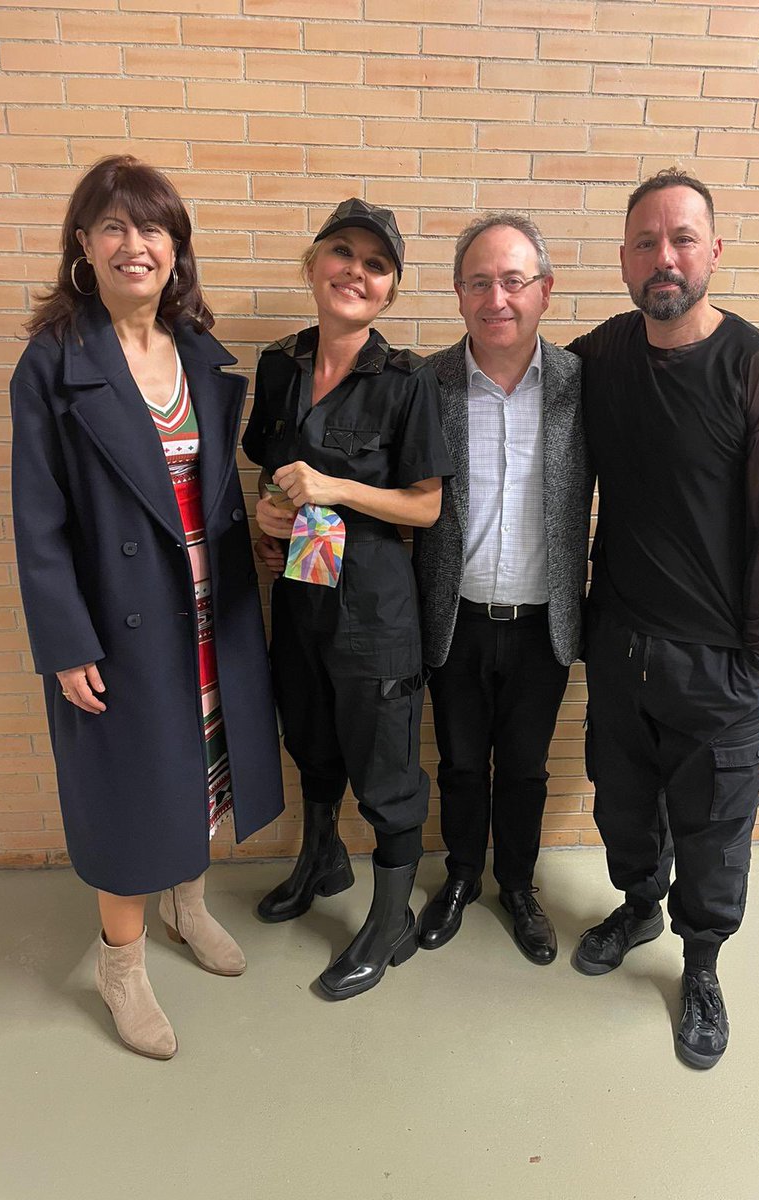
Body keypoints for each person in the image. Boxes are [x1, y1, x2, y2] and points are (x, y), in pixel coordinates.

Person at [9, 155, 284, 1060]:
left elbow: (210, 491)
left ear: (177, 249)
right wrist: (64, 641)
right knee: (131, 797)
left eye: (154, 228)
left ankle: (186, 909)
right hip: (119, 623)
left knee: (201, 775)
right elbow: (38, 520)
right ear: (83, 246)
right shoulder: (52, 364)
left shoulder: (200, 355)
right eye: (115, 226)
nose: (137, 245)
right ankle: (120, 967)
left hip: (210, 609)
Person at [566, 168, 759, 1068]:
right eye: (645, 241)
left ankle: (701, 963)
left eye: (681, 239)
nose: (662, 257)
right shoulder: (599, 359)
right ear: (625, 258)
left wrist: (753, 663)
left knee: (713, 831)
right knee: (624, 806)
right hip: (619, 645)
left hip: (716, 666)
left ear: (714, 250)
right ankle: (637, 905)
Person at [243, 198, 452, 1000]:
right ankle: (320, 859)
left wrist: (335, 486)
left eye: (375, 264)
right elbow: (272, 468)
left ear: (390, 291)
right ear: (313, 264)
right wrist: (270, 512)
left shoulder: (407, 383)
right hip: (301, 587)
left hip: (373, 608)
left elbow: (426, 506)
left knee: (387, 770)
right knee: (309, 731)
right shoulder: (279, 367)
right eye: (342, 252)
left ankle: (390, 918)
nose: (354, 272)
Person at [413, 213, 592, 965]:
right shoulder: (427, 382)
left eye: (513, 281)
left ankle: (516, 883)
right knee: (457, 762)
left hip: (543, 621)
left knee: (523, 766)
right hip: (454, 617)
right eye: (480, 282)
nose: (497, 298)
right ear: (458, 294)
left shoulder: (584, 386)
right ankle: (459, 876)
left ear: (543, 292)